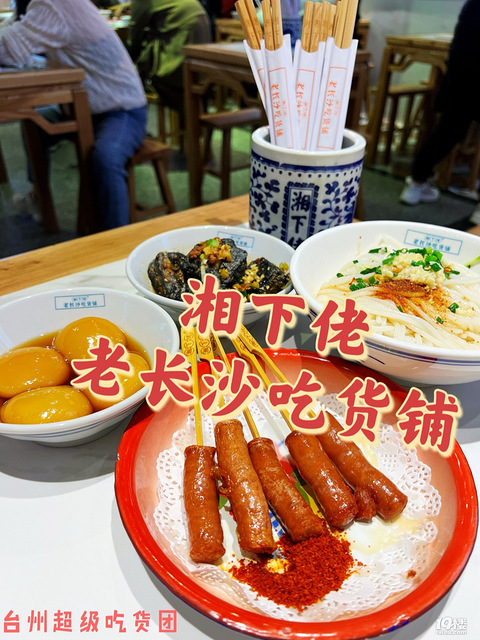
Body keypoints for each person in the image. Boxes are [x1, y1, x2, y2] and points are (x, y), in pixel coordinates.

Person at [0, 0, 148, 230]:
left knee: (106, 159)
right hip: (89, 109)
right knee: (35, 127)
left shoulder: (54, 3)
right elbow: (15, 32)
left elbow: (9, 49)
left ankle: (117, 241)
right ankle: (38, 196)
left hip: (123, 109)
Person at [399, 0, 480, 223]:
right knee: (449, 129)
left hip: (462, 74)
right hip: (465, 71)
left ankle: (416, 183)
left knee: (447, 130)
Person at [128, 0, 212, 127]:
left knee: (138, 78)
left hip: (182, 52)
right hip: (201, 47)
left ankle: (135, 129)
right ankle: (191, 128)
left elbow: (135, 40)